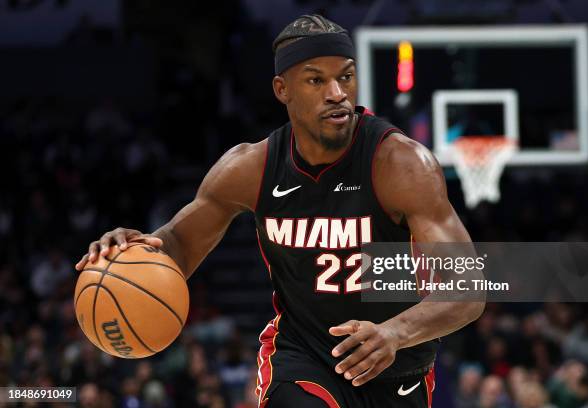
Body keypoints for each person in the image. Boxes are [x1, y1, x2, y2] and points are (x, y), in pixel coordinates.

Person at [75, 14, 484, 408]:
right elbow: (179, 242)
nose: (337, 93)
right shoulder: (249, 168)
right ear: (282, 89)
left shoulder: (401, 165)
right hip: (302, 357)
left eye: (345, 75)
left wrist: (395, 332)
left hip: (397, 365)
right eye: (316, 80)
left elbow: (469, 290)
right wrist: (133, 252)